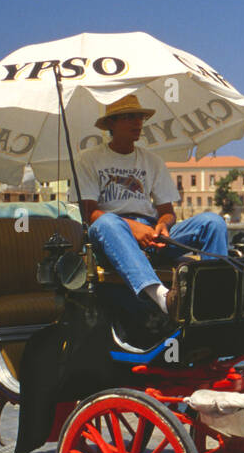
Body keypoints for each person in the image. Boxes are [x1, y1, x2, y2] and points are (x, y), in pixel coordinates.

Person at [74, 93, 228, 322]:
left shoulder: (152, 161)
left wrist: (162, 226)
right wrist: (133, 228)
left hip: (151, 232)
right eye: (129, 117)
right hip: (112, 234)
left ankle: (214, 297)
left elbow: (167, 211)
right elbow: (89, 213)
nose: (137, 122)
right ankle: (162, 298)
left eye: (139, 117)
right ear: (111, 125)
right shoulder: (89, 159)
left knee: (213, 222)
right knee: (107, 223)